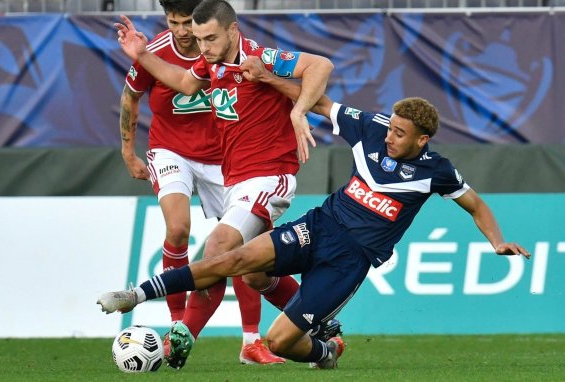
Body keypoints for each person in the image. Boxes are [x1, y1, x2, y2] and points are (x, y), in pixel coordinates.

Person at [99, 57, 532, 369]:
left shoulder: (436, 171)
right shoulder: (372, 127)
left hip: (350, 260)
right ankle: (135, 295)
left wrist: (496, 242)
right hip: (321, 225)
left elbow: (475, 205)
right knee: (237, 262)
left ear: (422, 141)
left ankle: (325, 349)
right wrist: (269, 78)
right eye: (392, 127)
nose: (391, 137)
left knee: (281, 341)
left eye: (401, 134)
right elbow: (321, 102)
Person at [99, 0, 336, 369]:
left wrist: (297, 109)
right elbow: (182, 82)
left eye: (210, 38)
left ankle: (180, 337)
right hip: (235, 178)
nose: (203, 47)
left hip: (270, 174)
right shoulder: (208, 61)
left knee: (219, 246)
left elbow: (321, 65)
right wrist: (142, 53)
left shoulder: (259, 56)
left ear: (232, 30)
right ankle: (323, 330)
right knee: (255, 273)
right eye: (199, 39)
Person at [117, 0, 283, 366]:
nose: (180, 31)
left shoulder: (226, 47)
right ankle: (177, 329)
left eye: (185, 23)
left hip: (223, 156)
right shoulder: (156, 51)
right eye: (172, 22)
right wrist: (129, 151)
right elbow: (131, 97)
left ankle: (251, 341)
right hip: (171, 150)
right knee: (178, 229)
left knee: (242, 249)